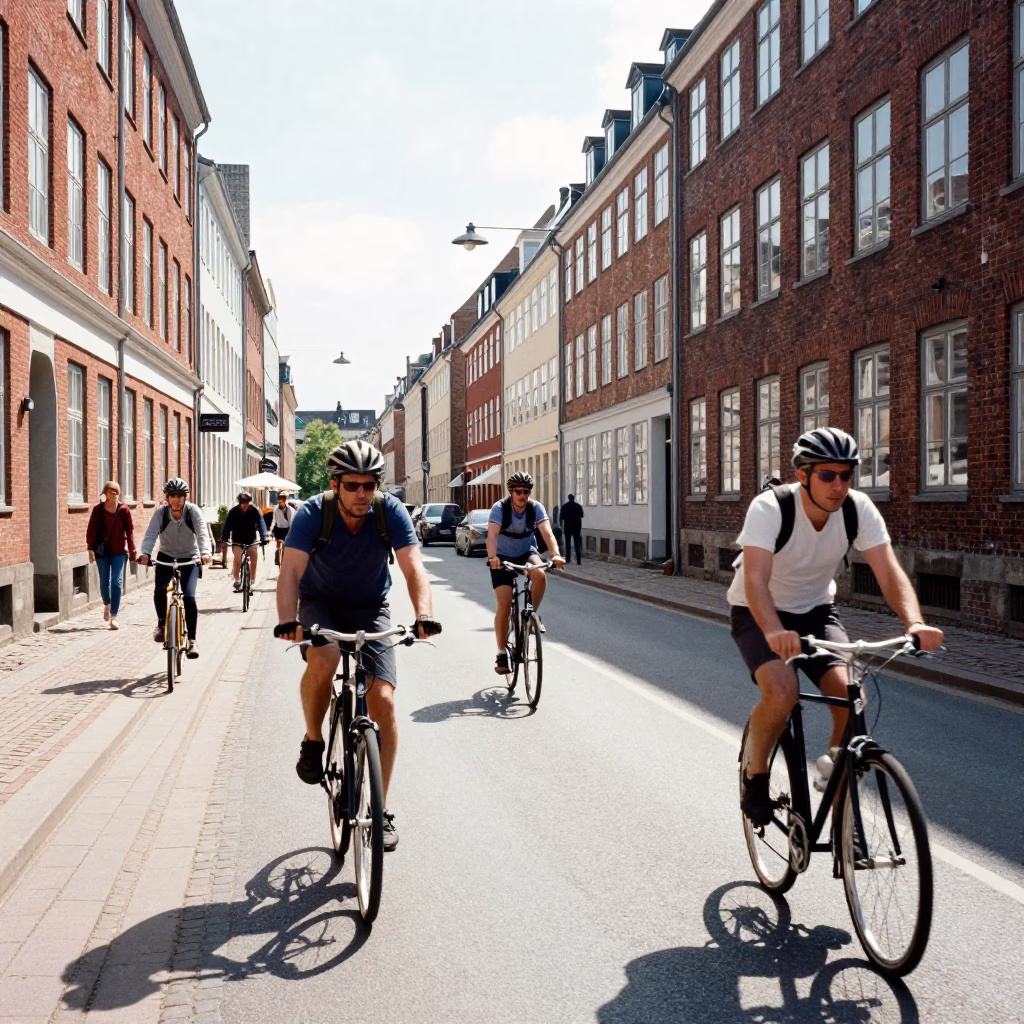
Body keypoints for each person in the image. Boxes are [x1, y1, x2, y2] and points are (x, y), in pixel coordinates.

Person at [731, 428, 943, 826]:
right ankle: (754, 774)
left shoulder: (857, 509)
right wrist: (775, 631)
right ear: (803, 476)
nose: (839, 485)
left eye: (846, 475)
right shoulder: (770, 508)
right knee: (782, 692)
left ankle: (839, 792)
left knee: (853, 698)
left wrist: (914, 622)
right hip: (759, 613)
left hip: (815, 611)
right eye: (828, 475)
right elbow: (756, 580)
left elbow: (887, 570)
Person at [274, 440, 441, 851]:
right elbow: (291, 569)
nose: (362, 494)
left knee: (382, 700)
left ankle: (379, 808)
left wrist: (423, 614)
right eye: (352, 486)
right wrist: (287, 621)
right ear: (336, 483)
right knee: (326, 657)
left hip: (371, 607)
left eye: (369, 485)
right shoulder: (314, 513)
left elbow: (413, 565)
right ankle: (314, 738)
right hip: (321, 604)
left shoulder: (389, 512)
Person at [486, 471, 565, 675]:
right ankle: (501, 652)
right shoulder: (500, 508)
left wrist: (556, 555)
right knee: (504, 602)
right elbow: (492, 536)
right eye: (519, 491)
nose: (523, 495)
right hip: (502, 556)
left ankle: (531, 615)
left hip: (525, 553)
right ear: (511, 492)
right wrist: (493, 557)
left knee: (540, 575)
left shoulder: (535, 508)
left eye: (527, 491)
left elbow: (547, 533)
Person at [137, 478, 212, 658]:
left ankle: (192, 641)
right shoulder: (161, 513)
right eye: (173, 496)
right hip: (166, 557)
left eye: (180, 496)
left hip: (190, 558)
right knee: (160, 588)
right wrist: (145, 553)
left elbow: (202, 533)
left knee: (189, 597)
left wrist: (205, 553)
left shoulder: (193, 512)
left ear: (185, 497)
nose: (177, 500)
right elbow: (150, 534)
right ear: (168, 498)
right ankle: (162, 624)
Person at [86, 480, 136, 630]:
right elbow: (91, 530)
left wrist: (132, 549)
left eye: (115, 491)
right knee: (104, 582)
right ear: (105, 493)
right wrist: (90, 550)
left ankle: (114, 616)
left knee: (116, 581)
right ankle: (106, 605)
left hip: (119, 550)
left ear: (119, 493)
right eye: (110, 491)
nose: (113, 493)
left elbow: (130, 530)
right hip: (102, 551)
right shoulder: (98, 510)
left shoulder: (123, 510)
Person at [222, 492, 269, 592]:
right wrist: (224, 538)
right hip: (237, 540)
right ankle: (236, 579)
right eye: (243, 503)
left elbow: (261, 524)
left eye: (247, 503)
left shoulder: (254, 511)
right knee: (238, 557)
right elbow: (227, 526)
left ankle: (252, 581)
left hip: (251, 539)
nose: (245, 506)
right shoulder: (233, 512)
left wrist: (264, 537)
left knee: (254, 555)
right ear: (239, 503)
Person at [271, 492, 300, 565]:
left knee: (285, 546)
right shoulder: (276, 508)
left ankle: (283, 561)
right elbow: (274, 520)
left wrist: (290, 533)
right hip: (278, 528)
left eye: (282, 500)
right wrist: (271, 530)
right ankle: (277, 554)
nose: (280, 502)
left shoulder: (289, 509)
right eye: (279, 500)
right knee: (278, 545)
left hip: (286, 529)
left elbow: (290, 522)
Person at [559, 493, 584, 565]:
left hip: (568, 527)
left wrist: (561, 525)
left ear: (568, 498)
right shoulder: (578, 506)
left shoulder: (565, 506)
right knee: (577, 544)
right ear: (573, 498)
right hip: (576, 527)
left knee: (568, 544)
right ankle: (578, 560)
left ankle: (568, 559)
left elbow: (561, 517)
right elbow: (582, 515)